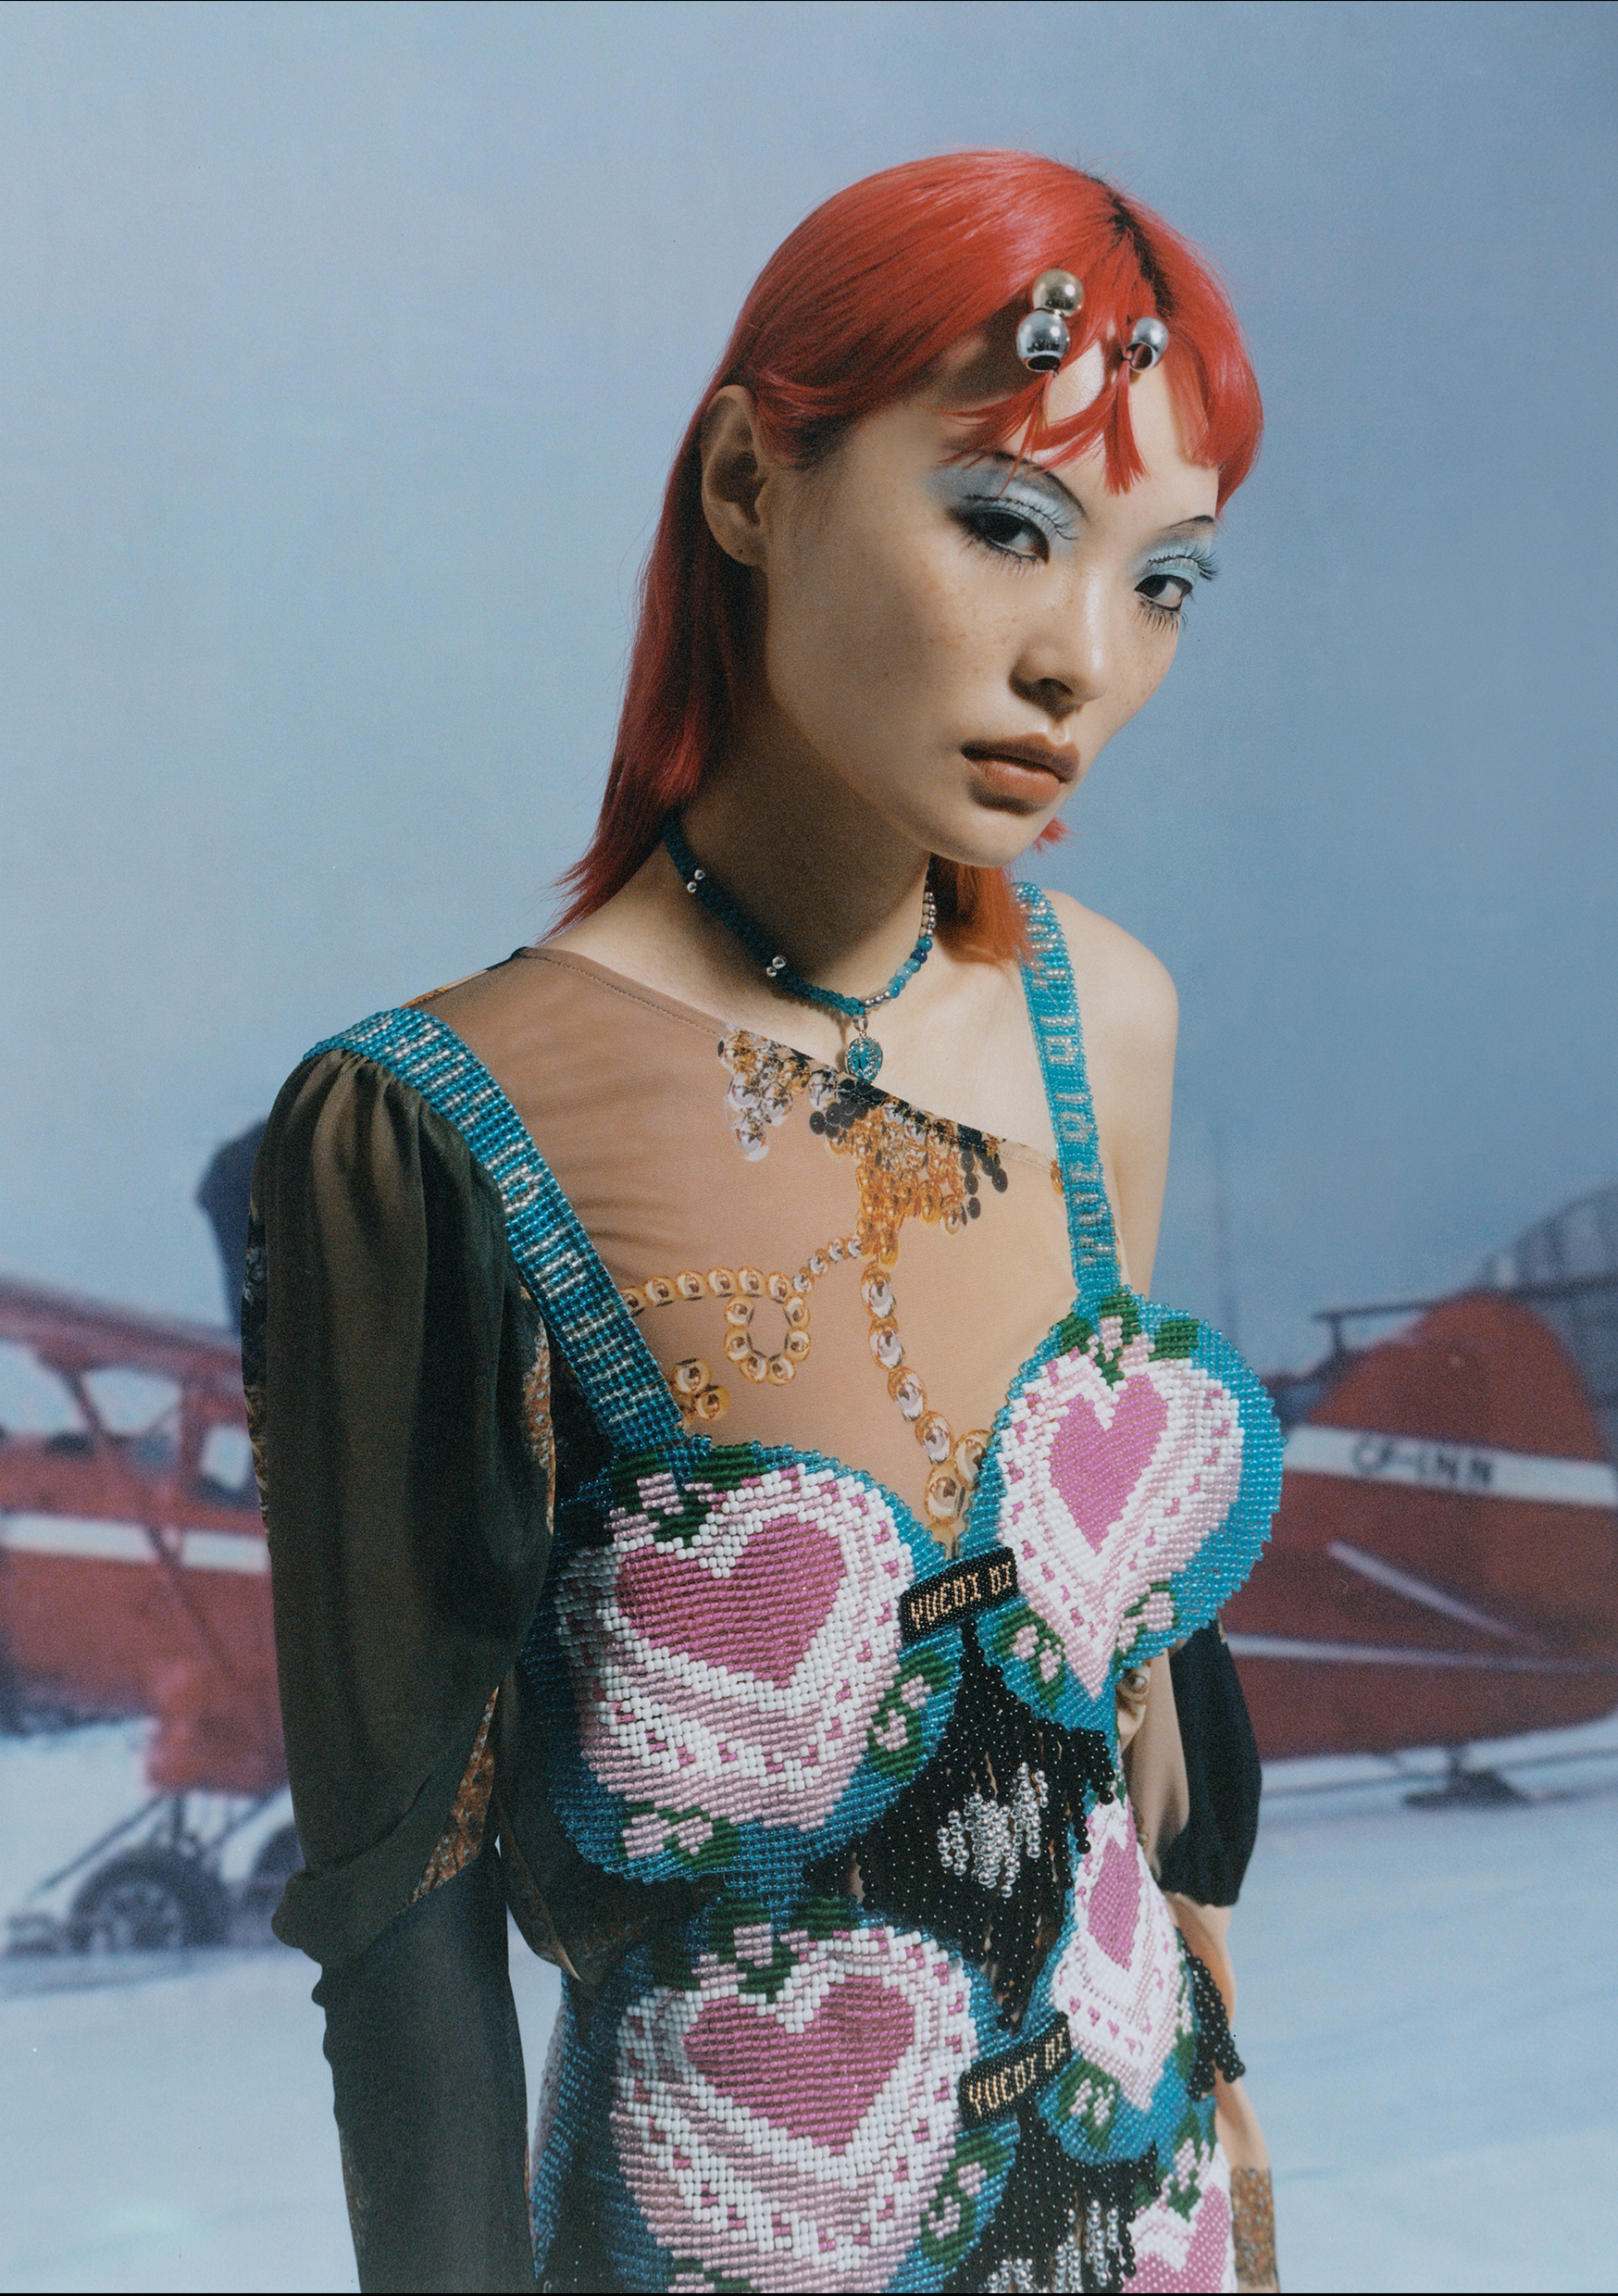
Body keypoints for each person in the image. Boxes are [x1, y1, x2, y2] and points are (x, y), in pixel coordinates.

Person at [247, 150, 1284, 2294]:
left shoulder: (1106, 1024)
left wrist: (1232, 2119)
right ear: (746, 480)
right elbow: (403, 1924)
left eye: (1165, 579)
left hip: (1154, 2213)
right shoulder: (428, 1129)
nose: (1083, 660)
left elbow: (1131, 1713)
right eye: (1005, 524)